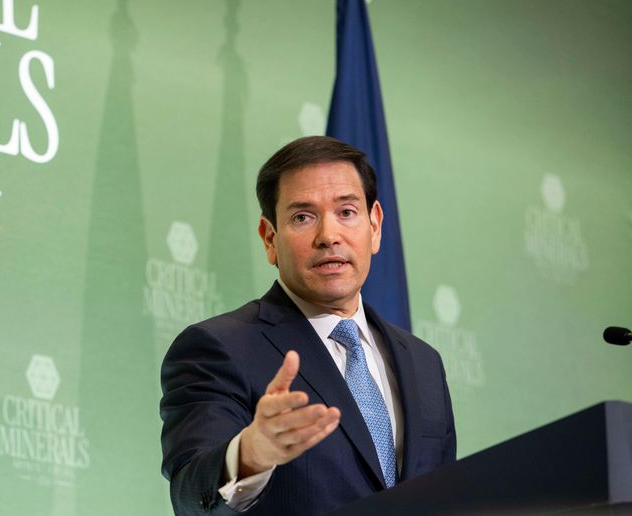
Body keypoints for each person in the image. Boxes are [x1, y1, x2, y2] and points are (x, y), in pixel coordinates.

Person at [159, 136, 456, 515]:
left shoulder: (423, 363)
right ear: (270, 239)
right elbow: (191, 498)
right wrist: (250, 454)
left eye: (346, 212)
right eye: (303, 217)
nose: (328, 236)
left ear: (375, 225)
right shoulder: (217, 349)